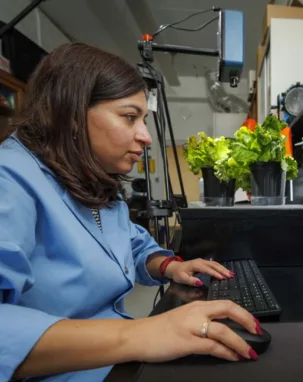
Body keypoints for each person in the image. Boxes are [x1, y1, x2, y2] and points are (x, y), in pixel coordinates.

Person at [0, 43, 261, 382]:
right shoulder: (11, 178)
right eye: (129, 117)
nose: (146, 136)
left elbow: (129, 244)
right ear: (73, 114)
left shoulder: (91, 180)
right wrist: (145, 334)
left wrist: (168, 266)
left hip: (116, 359)